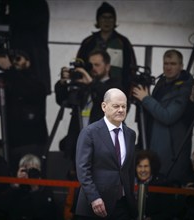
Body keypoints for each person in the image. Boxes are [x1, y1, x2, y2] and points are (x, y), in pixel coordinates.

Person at [55, 49, 123, 178]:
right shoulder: (84, 85)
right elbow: (64, 101)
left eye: (97, 65)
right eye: (91, 65)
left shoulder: (115, 84)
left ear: (107, 66)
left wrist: (92, 83)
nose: (93, 68)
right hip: (79, 145)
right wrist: (63, 83)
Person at [132, 49, 194, 184]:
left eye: (173, 64)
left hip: (171, 152)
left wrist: (146, 99)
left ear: (181, 66)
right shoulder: (161, 83)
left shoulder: (185, 88)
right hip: (154, 146)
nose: (168, 67)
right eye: (166, 63)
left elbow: (168, 116)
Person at [75, 88, 137, 220]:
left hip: (123, 204)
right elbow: (83, 169)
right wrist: (94, 198)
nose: (120, 110)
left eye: (124, 106)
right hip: (95, 205)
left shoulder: (130, 134)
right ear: (104, 106)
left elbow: (129, 169)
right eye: (116, 106)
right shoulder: (90, 132)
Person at [0, 49, 48, 175]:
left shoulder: (37, 82)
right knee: (15, 179)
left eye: (18, 59)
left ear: (28, 62)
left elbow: (27, 90)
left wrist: (9, 69)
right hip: (12, 141)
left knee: (33, 177)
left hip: (32, 141)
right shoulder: (8, 80)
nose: (14, 62)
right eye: (12, 59)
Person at [77, 2, 137, 95]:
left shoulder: (123, 42)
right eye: (103, 17)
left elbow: (131, 69)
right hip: (89, 92)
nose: (107, 21)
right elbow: (79, 65)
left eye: (110, 18)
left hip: (116, 92)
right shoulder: (88, 42)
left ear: (114, 20)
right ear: (98, 20)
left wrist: (127, 93)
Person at [0, 153, 59, 220]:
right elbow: (1, 208)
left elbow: (47, 214)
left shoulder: (45, 188)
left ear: (39, 171)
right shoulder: (15, 187)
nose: (29, 174)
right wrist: (16, 185)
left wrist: (35, 188)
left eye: (33, 171)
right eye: (26, 171)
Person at [135, 149, 177, 220]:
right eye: (140, 166)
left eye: (146, 166)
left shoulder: (163, 183)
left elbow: (168, 213)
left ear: (152, 167)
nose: (142, 170)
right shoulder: (131, 183)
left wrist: (151, 219)